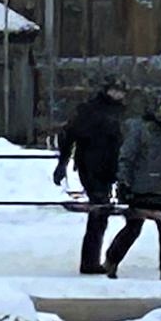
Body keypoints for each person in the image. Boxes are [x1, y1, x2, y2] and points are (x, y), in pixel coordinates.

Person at [105, 96, 161, 282]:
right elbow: (127, 158)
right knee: (133, 227)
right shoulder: (140, 130)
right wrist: (123, 184)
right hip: (139, 189)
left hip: (160, 189)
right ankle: (111, 261)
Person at [52, 80, 126, 275]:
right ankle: (90, 261)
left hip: (109, 167)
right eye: (115, 90)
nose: (119, 95)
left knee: (101, 213)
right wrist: (62, 163)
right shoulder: (91, 111)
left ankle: (91, 260)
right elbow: (69, 135)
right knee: (99, 212)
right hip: (91, 166)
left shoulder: (118, 112)